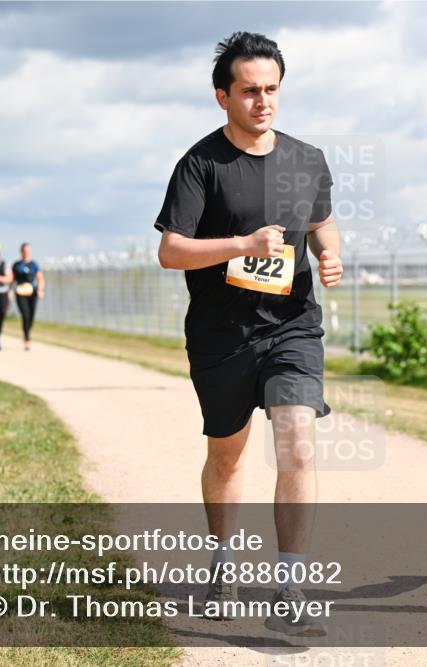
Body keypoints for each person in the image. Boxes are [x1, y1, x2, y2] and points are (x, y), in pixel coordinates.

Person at [155, 31, 342, 637]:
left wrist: (331, 254)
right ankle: (223, 561)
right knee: (227, 457)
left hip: (292, 325)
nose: (263, 102)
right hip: (221, 334)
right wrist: (242, 244)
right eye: (250, 91)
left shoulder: (307, 159)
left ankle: (290, 580)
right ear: (223, 96)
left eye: (272, 90)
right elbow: (171, 251)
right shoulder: (201, 164)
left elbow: (322, 223)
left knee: (296, 439)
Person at [11, 243, 45, 351]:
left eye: (28, 250)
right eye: (25, 250)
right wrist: (10, 290)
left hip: (32, 293)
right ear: (21, 251)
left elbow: (40, 278)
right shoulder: (17, 265)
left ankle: (27, 332)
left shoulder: (34, 264)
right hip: (20, 293)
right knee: (25, 315)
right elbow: (12, 279)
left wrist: (40, 289)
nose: (26, 252)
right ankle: (27, 339)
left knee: (31, 317)